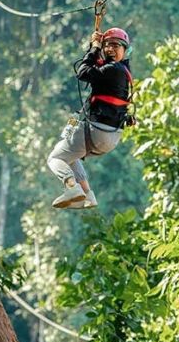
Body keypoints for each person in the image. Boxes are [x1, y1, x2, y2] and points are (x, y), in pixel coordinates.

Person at [48, 27, 134, 209]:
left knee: (55, 158)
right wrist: (94, 46)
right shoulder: (122, 71)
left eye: (117, 46)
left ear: (125, 50)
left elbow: (83, 72)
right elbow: (96, 68)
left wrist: (94, 47)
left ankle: (72, 188)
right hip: (110, 138)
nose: (111, 49)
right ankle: (88, 195)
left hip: (96, 131)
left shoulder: (112, 69)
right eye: (108, 45)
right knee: (71, 156)